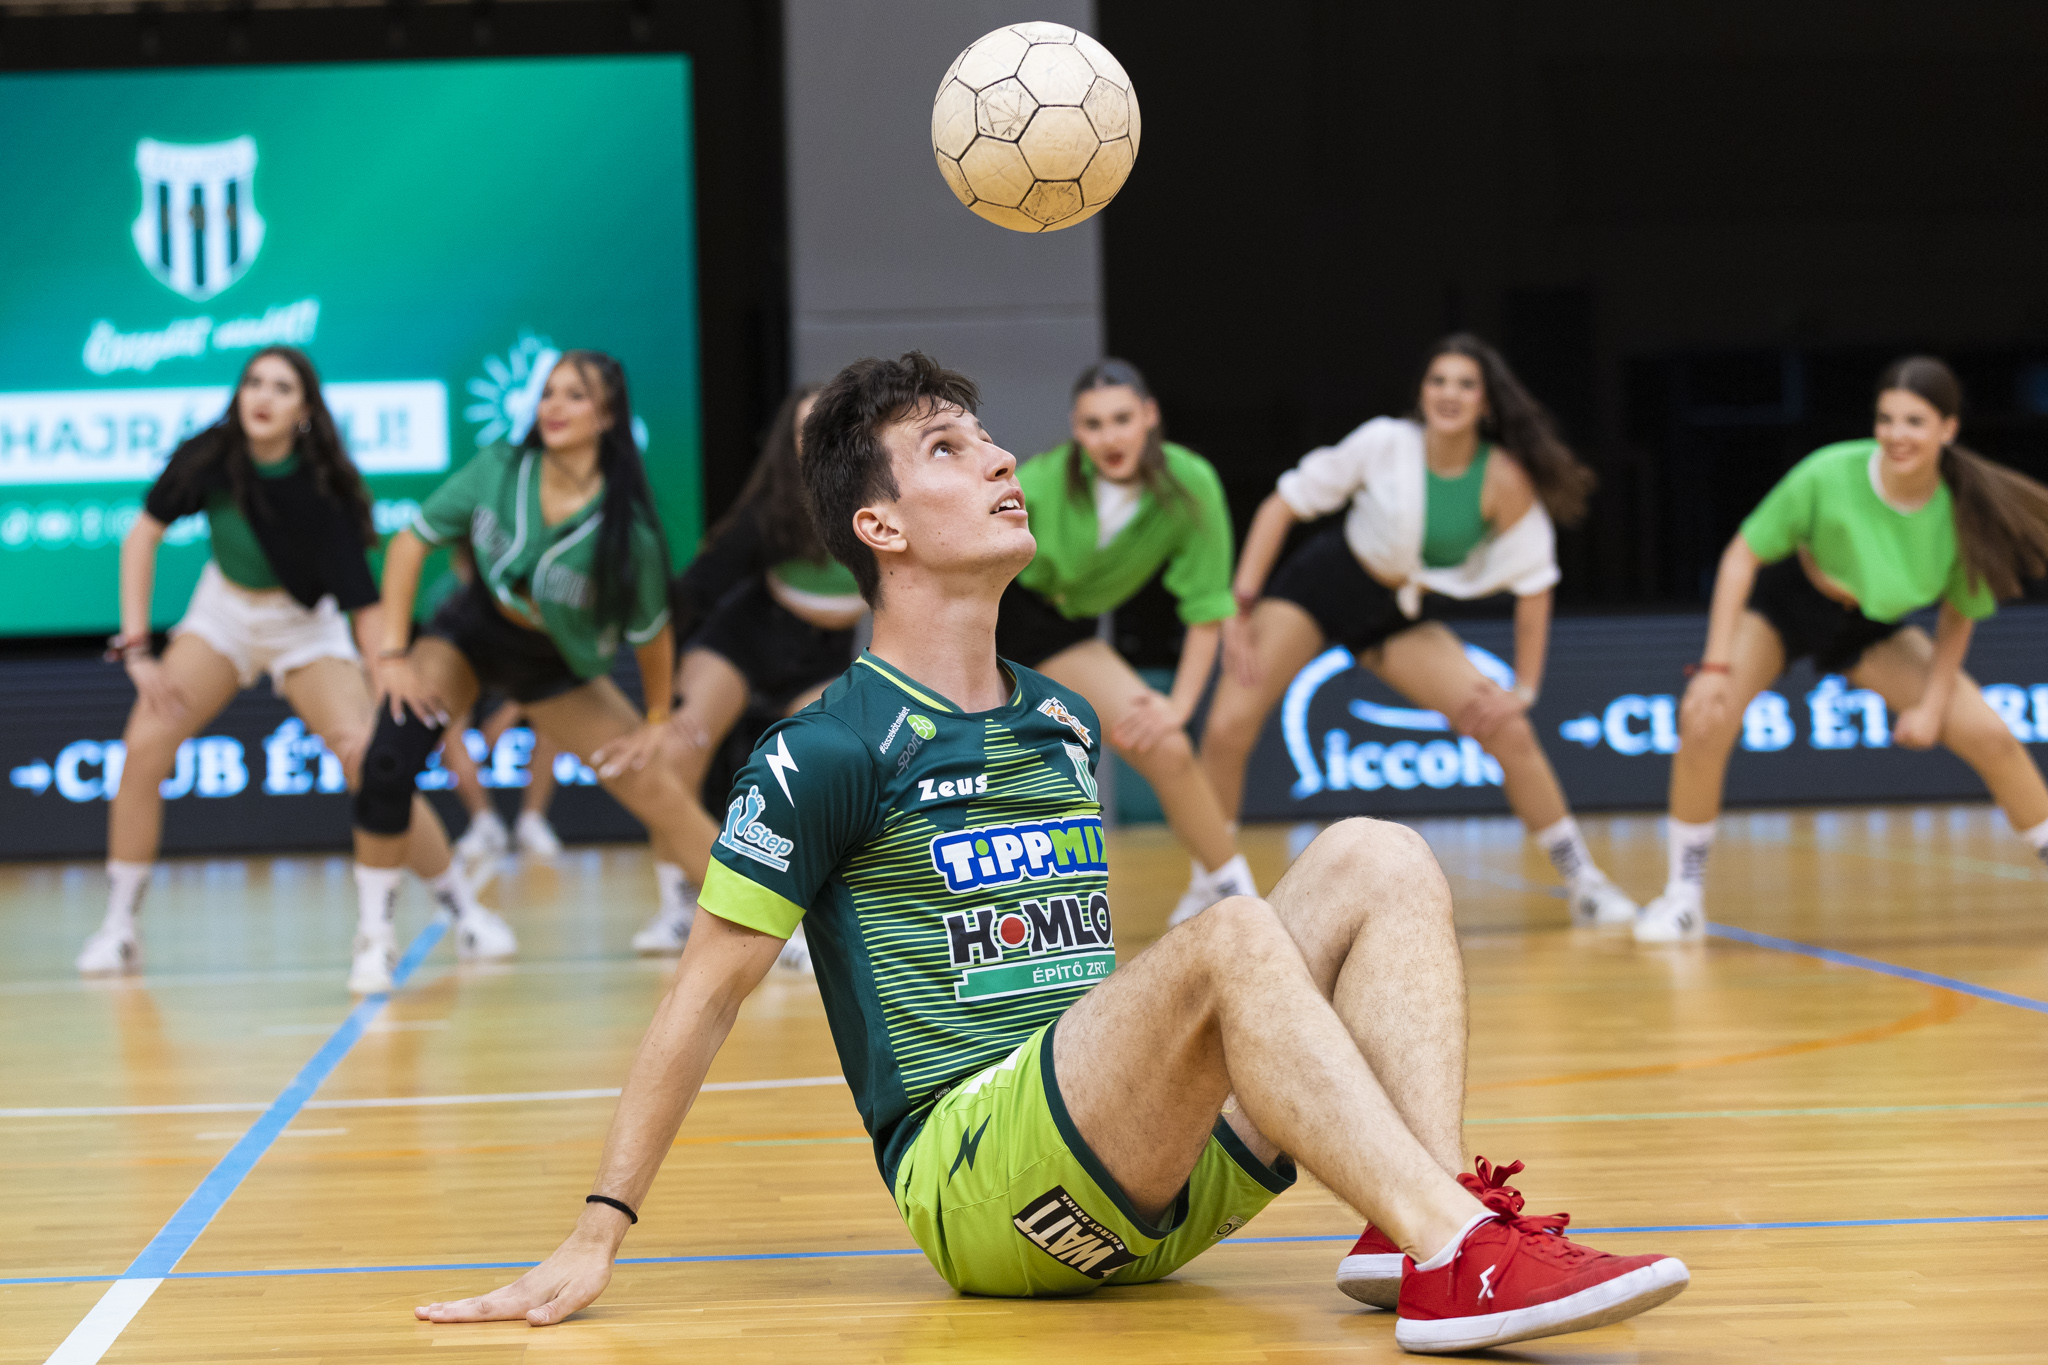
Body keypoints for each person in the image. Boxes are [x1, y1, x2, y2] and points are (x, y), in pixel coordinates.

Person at [413, 353, 1688, 1353]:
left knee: (1377, 852)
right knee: (1230, 932)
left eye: (985, 438)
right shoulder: (827, 749)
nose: (997, 459)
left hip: (1137, 1164)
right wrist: (598, 1230)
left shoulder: (1060, 717)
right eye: (947, 449)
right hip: (985, 1191)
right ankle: (1461, 1252)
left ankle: (1415, 1221)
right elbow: (699, 996)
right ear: (880, 527)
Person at [77, 346, 508, 984]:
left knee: (368, 761)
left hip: (305, 628)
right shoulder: (209, 455)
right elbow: (142, 535)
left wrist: (385, 681)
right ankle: (118, 929)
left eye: (282, 387)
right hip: (222, 614)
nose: (263, 396)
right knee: (143, 745)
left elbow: (365, 610)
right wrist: (137, 651)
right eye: (254, 382)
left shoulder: (323, 493)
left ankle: (462, 909)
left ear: (304, 410)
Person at [1198, 335, 1637, 928]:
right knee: (1227, 727)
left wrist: (1526, 689)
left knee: (1507, 727)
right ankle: (1213, 888)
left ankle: (1585, 881)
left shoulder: (1503, 478)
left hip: (1394, 612)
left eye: (1465, 384)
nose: (1449, 394)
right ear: (1422, 393)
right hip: (1320, 586)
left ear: (1486, 403)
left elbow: (1536, 586)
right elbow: (1281, 505)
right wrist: (1241, 606)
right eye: (1438, 381)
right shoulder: (1384, 441)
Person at [1637, 355, 2048, 941]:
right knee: (1704, 720)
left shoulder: (1965, 511)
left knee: (1992, 736)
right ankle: (1683, 896)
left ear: (1948, 429)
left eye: (1914, 421)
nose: (1897, 435)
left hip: (1869, 627)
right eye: (1886, 419)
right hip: (1786, 604)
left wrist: (1932, 707)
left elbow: (1958, 616)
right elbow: (1740, 556)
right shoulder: (1827, 473)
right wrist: (1715, 666)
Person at [355, 350, 695, 983]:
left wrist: (656, 718)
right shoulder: (500, 467)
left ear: (608, 416)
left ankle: (782, 933)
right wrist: (393, 654)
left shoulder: (628, 531)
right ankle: (375, 937)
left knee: (658, 789)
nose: (554, 407)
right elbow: (409, 542)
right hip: (470, 633)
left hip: (552, 662)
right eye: (548, 393)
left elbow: (653, 636)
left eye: (575, 395)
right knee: (387, 758)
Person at [997, 359, 1256, 926]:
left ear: (1149, 416)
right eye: (1093, 425)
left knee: (1166, 743)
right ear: (1076, 429)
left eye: (1122, 419)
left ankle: (1234, 897)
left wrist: (1179, 706)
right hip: (987, 616)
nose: (1110, 438)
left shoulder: (1191, 483)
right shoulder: (1038, 481)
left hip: (1061, 633)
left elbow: (1207, 608)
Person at [629, 385, 860, 963]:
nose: (818, 440)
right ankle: (679, 906)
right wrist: (669, 687)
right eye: (805, 430)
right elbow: (691, 594)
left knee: (820, 772)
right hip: (742, 641)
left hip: (822, 658)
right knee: (677, 753)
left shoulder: (887, 502)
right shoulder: (771, 512)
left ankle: (801, 911)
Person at [445, 695, 566, 884]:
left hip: (523, 689)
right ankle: (484, 822)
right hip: (476, 689)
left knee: (550, 719)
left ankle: (532, 820)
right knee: (448, 728)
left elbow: (543, 683)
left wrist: (510, 712)